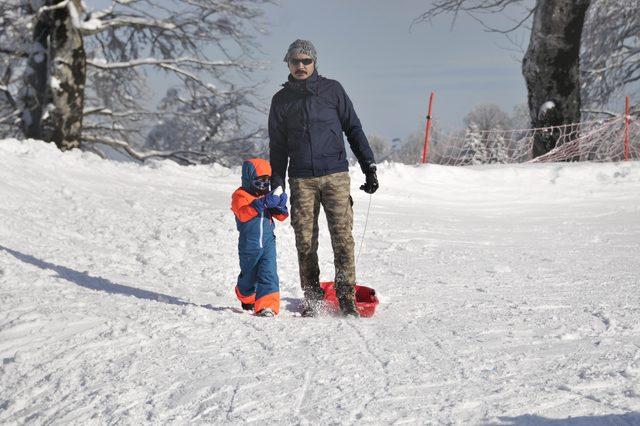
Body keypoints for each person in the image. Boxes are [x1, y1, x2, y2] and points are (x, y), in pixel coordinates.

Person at [268, 39, 379, 318]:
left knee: (342, 238)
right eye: (295, 61)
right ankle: (313, 299)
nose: (301, 65)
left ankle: (346, 299)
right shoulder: (281, 100)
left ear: (315, 62)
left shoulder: (333, 90)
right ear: (288, 64)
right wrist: (277, 182)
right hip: (301, 179)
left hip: (335, 176)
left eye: (306, 60)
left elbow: (353, 128)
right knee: (304, 240)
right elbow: (277, 146)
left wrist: (369, 166)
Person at [231, 158, 288, 317]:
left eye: (266, 182)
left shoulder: (267, 196)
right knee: (249, 276)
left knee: (269, 273)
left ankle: (267, 306)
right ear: (249, 179)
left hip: (268, 243)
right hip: (249, 245)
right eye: (259, 182)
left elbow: (282, 216)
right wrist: (261, 203)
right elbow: (242, 214)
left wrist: (280, 205)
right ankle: (246, 295)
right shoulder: (240, 195)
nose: (263, 186)